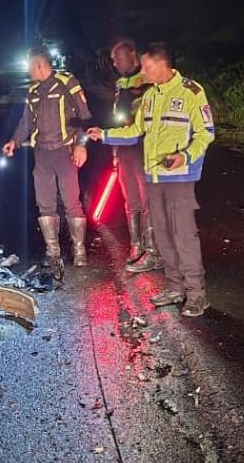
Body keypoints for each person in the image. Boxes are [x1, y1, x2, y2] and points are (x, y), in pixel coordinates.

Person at [87, 42, 215, 316]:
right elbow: (135, 132)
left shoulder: (191, 91)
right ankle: (175, 287)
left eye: (146, 67)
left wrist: (185, 155)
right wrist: (105, 135)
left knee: (184, 236)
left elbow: (206, 133)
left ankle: (197, 294)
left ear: (162, 64)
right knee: (164, 236)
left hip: (180, 177)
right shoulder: (150, 97)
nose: (142, 73)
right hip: (154, 175)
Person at [2, 47, 91, 267]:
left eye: (30, 66)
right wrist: (13, 141)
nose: (29, 71)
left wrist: (81, 145)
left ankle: (79, 251)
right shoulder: (32, 92)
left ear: (39, 65)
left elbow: (84, 116)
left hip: (65, 151)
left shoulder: (66, 83)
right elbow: (26, 123)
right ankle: (53, 250)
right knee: (45, 203)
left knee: (71, 201)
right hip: (41, 153)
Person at [109, 38, 163, 273]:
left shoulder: (148, 81)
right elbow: (115, 115)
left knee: (148, 198)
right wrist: (114, 150)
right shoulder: (120, 84)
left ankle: (153, 251)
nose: (115, 63)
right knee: (131, 199)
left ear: (133, 55)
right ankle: (136, 245)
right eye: (113, 59)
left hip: (144, 147)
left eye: (118, 58)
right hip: (125, 148)